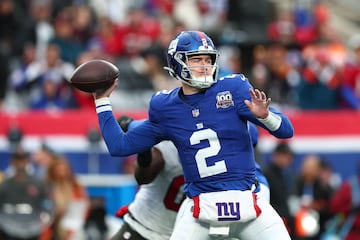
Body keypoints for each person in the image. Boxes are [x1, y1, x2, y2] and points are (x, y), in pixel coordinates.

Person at [93, 30, 294, 239]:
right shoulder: (166, 107)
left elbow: (286, 130)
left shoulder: (234, 89)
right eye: (196, 59)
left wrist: (266, 116)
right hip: (200, 207)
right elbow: (119, 146)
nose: (205, 65)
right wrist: (102, 101)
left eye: (208, 59)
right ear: (177, 63)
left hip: (248, 202)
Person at [111, 116, 185, 240]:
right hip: (143, 229)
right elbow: (143, 177)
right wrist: (144, 154)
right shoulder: (168, 141)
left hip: (183, 233)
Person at [0, 146, 53, 240]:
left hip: (33, 226)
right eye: (17, 159)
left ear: (27, 160)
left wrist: (45, 220)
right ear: (12, 161)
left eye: (22, 159)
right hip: (7, 227)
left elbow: (47, 204)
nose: (20, 163)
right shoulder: (4, 184)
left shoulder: (38, 183)